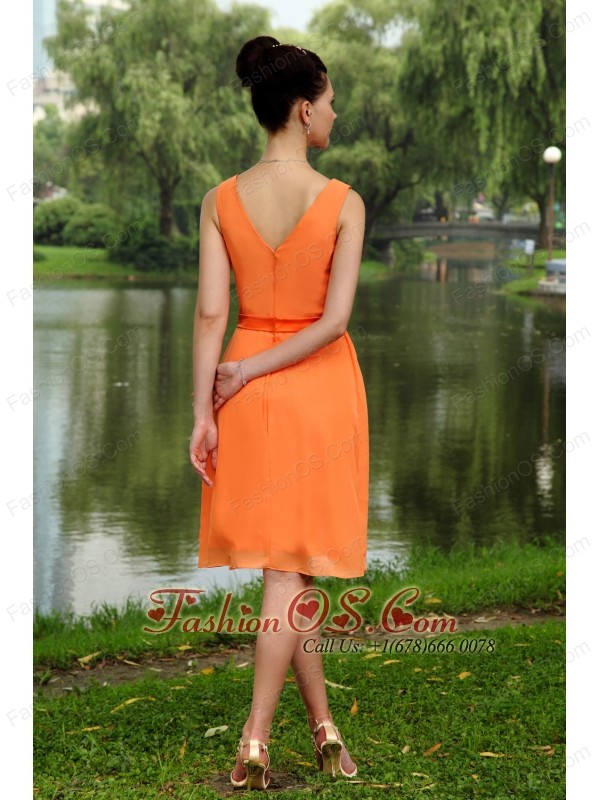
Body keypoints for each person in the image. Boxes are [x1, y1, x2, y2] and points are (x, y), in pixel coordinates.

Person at [189, 35, 369, 790]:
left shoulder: (219, 200)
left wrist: (205, 408)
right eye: (329, 101)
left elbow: (210, 313)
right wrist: (245, 374)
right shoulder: (343, 202)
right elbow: (332, 322)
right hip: (315, 388)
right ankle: (256, 739)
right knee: (288, 575)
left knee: (286, 574)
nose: (334, 113)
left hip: (245, 388)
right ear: (302, 108)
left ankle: (325, 729)